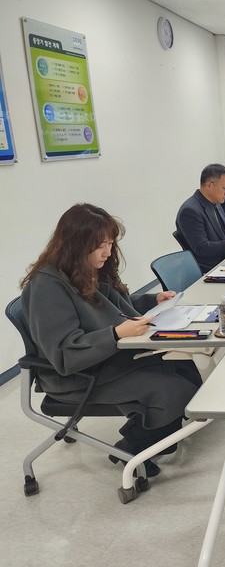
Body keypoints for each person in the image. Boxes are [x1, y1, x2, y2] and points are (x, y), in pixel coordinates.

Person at [20, 204, 202, 476]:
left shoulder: (83, 269)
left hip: (104, 358)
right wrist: (116, 334)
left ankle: (155, 435)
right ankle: (131, 448)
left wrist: (152, 300)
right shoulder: (48, 286)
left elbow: (110, 307)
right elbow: (64, 353)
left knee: (187, 368)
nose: (107, 252)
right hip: (77, 375)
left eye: (110, 244)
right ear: (75, 245)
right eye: (100, 246)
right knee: (171, 389)